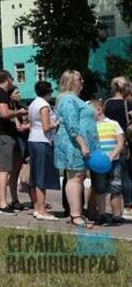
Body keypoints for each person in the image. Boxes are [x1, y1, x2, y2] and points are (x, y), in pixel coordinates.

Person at [54, 69, 98, 228]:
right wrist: (83, 144)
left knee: (79, 177)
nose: (82, 81)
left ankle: (77, 213)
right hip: (73, 145)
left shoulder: (74, 99)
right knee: (75, 178)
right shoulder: (67, 99)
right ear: (71, 81)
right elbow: (72, 125)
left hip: (79, 144)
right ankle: (75, 215)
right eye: (80, 79)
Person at [0, 70, 27, 215]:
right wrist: (18, 113)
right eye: (12, 79)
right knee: (4, 170)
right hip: (2, 135)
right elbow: (4, 113)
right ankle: (2, 204)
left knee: (4, 170)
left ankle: (2, 202)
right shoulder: (1, 93)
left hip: (2, 135)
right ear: (7, 79)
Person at [88, 99, 126, 224]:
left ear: (99, 110)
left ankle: (116, 214)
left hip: (114, 161)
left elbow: (120, 142)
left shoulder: (114, 124)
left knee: (116, 187)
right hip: (98, 164)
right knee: (100, 188)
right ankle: (102, 214)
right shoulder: (91, 126)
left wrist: (112, 156)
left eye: (89, 111)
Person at [27, 81, 60, 221]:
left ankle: (37, 207)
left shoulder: (33, 103)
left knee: (35, 176)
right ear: (48, 91)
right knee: (41, 176)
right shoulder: (44, 105)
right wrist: (56, 123)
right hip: (42, 141)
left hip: (33, 139)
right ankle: (42, 210)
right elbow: (46, 127)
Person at [104, 76, 132, 216]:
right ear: (126, 88)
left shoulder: (107, 103)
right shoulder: (128, 104)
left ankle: (111, 208)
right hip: (124, 143)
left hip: (107, 143)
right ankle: (128, 205)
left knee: (110, 177)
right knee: (126, 175)